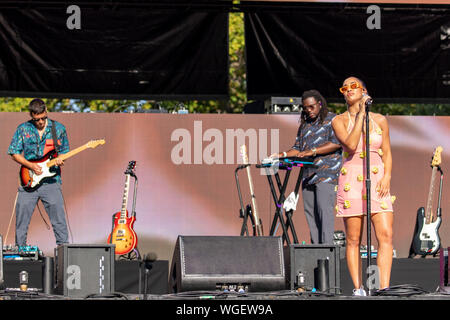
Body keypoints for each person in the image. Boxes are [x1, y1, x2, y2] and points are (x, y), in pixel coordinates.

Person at [331, 76, 394, 296]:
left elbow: (386, 151)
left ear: (364, 91)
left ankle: (384, 287)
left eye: (353, 86)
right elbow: (350, 143)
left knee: (385, 234)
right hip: (352, 180)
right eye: (344, 88)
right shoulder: (338, 120)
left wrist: (387, 177)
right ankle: (359, 288)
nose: (348, 90)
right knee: (354, 238)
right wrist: (359, 116)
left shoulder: (380, 120)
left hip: (377, 180)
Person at [272, 90, 342, 244]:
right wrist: (281, 154)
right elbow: (297, 148)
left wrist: (313, 151)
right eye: (305, 108)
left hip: (327, 173)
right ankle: (316, 251)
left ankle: (327, 252)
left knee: (324, 212)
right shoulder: (305, 124)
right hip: (308, 174)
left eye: (311, 107)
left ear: (320, 104)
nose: (308, 111)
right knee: (310, 213)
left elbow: (336, 143)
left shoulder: (333, 119)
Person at [8, 98, 70, 247]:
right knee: (21, 221)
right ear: (31, 115)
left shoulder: (59, 129)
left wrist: (61, 159)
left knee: (59, 220)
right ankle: (20, 253)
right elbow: (13, 152)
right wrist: (30, 165)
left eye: (43, 118)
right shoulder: (23, 129)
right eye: (37, 119)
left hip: (51, 181)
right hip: (28, 179)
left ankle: (64, 252)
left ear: (46, 111)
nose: (41, 122)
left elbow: (64, 152)